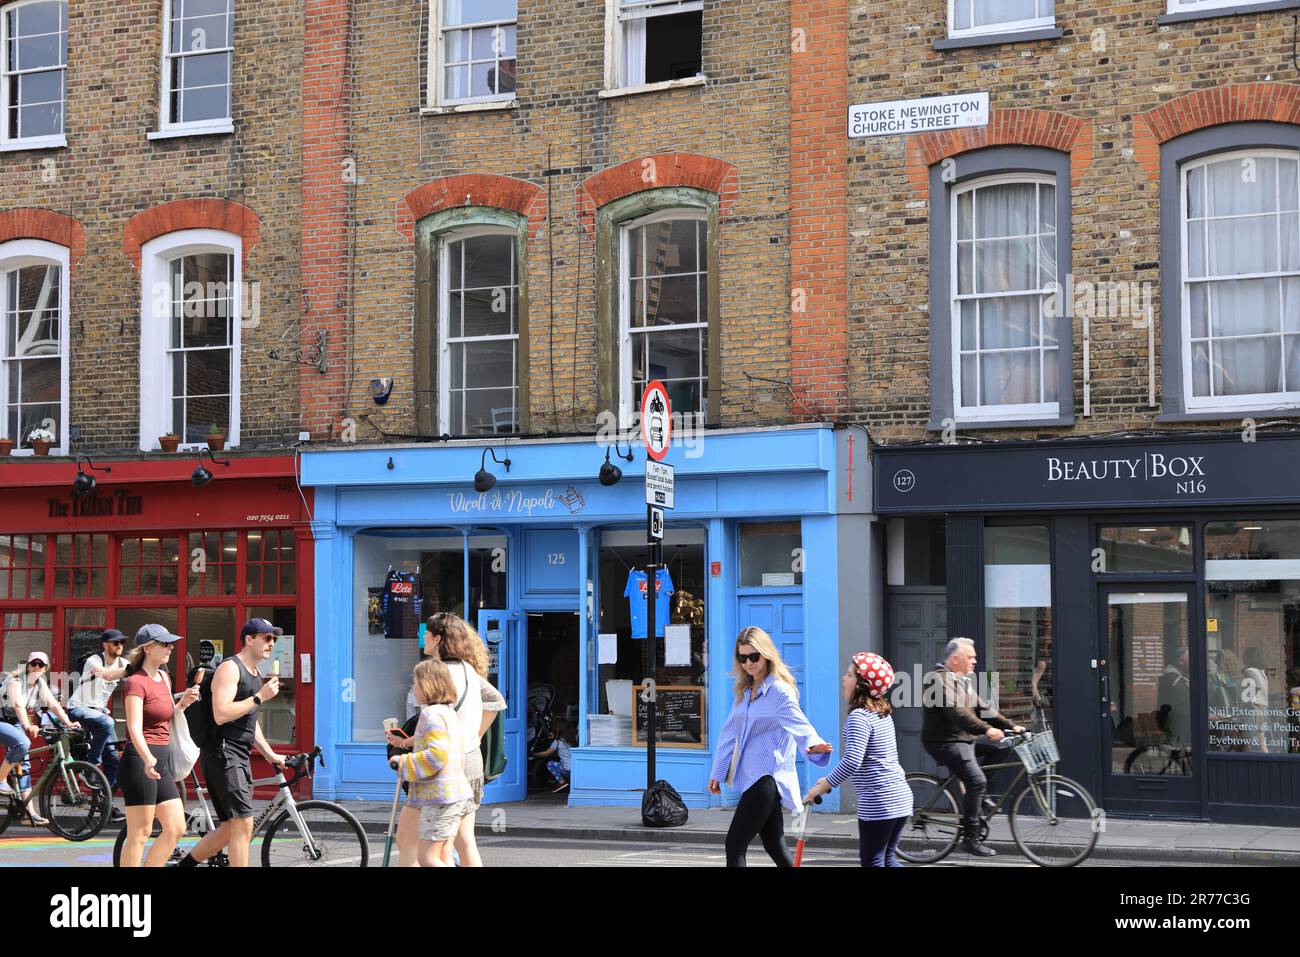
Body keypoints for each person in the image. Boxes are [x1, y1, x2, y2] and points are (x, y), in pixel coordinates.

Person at [386, 611, 503, 867]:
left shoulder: (440, 673)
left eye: (426, 634)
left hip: (441, 774)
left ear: (437, 638)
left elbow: (436, 739)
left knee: (410, 842)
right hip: (470, 762)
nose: (423, 638)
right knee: (461, 842)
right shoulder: (468, 669)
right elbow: (496, 701)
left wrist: (404, 752)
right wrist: (475, 737)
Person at [708, 626, 832, 867]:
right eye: (742, 658)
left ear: (766, 655)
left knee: (734, 845)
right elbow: (728, 733)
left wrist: (815, 745)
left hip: (767, 780)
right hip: (753, 778)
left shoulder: (779, 691)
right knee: (774, 845)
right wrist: (717, 772)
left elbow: (801, 725)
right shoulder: (745, 691)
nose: (748, 663)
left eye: (754, 656)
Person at [174, 619, 286, 868]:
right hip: (223, 752)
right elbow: (221, 713)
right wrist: (260, 697)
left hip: (239, 754)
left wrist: (270, 754)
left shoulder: (256, 674)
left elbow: (249, 721)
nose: (272, 643)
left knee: (228, 829)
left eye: (274, 639)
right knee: (244, 823)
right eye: (267, 638)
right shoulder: (230, 668)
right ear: (249, 639)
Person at [804, 652, 912, 867]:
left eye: (849, 674)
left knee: (872, 862)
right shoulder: (882, 714)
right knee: (888, 860)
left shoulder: (859, 717)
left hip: (879, 800)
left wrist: (825, 784)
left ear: (862, 684)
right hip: (900, 798)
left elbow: (853, 760)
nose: (843, 678)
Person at [921, 637, 1022, 858]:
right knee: (976, 781)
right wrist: (987, 730)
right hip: (944, 741)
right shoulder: (937, 680)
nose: (975, 661)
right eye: (971, 657)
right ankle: (970, 839)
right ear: (955, 659)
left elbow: (982, 707)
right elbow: (957, 713)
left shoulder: (961, 679)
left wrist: (1012, 726)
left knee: (1002, 748)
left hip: (964, 739)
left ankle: (982, 795)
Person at [118, 625, 200, 867]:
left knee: (176, 827)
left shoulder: (164, 677)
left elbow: (164, 718)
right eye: (164, 644)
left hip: (160, 762)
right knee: (140, 833)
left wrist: (182, 704)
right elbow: (134, 728)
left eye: (170, 643)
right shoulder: (135, 683)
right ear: (147, 647)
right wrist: (147, 757)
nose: (170, 647)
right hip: (140, 762)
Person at [388, 658, 472, 867]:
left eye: (415, 682)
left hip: (441, 796)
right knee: (438, 853)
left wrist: (402, 762)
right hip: (445, 793)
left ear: (428, 685)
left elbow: (437, 755)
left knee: (428, 857)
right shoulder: (447, 713)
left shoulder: (431, 714)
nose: (412, 687)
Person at [0, 652, 82, 826]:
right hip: (3, 718)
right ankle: (1, 779)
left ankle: (29, 814)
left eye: (41, 665)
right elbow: (18, 705)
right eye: (34, 663)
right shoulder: (15, 681)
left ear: (46, 668)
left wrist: (68, 722)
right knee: (23, 743)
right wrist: (28, 726)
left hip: (12, 720)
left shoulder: (40, 682)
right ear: (28, 665)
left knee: (25, 762)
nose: (37, 667)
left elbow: (52, 704)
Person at [66, 628, 129, 823]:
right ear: (105, 645)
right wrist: (133, 668)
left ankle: (104, 801)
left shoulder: (124, 663)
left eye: (122, 643)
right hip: (79, 709)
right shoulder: (95, 660)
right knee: (106, 722)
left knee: (115, 762)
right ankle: (90, 768)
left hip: (100, 714)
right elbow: (106, 675)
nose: (119, 646)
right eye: (115, 643)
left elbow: (136, 678)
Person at [532, 719, 574, 792]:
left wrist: (534, 754)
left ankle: (561, 782)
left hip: (568, 770)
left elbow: (546, 753)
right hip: (577, 769)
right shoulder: (573, 740)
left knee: (550, 764)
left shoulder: (557, 742)